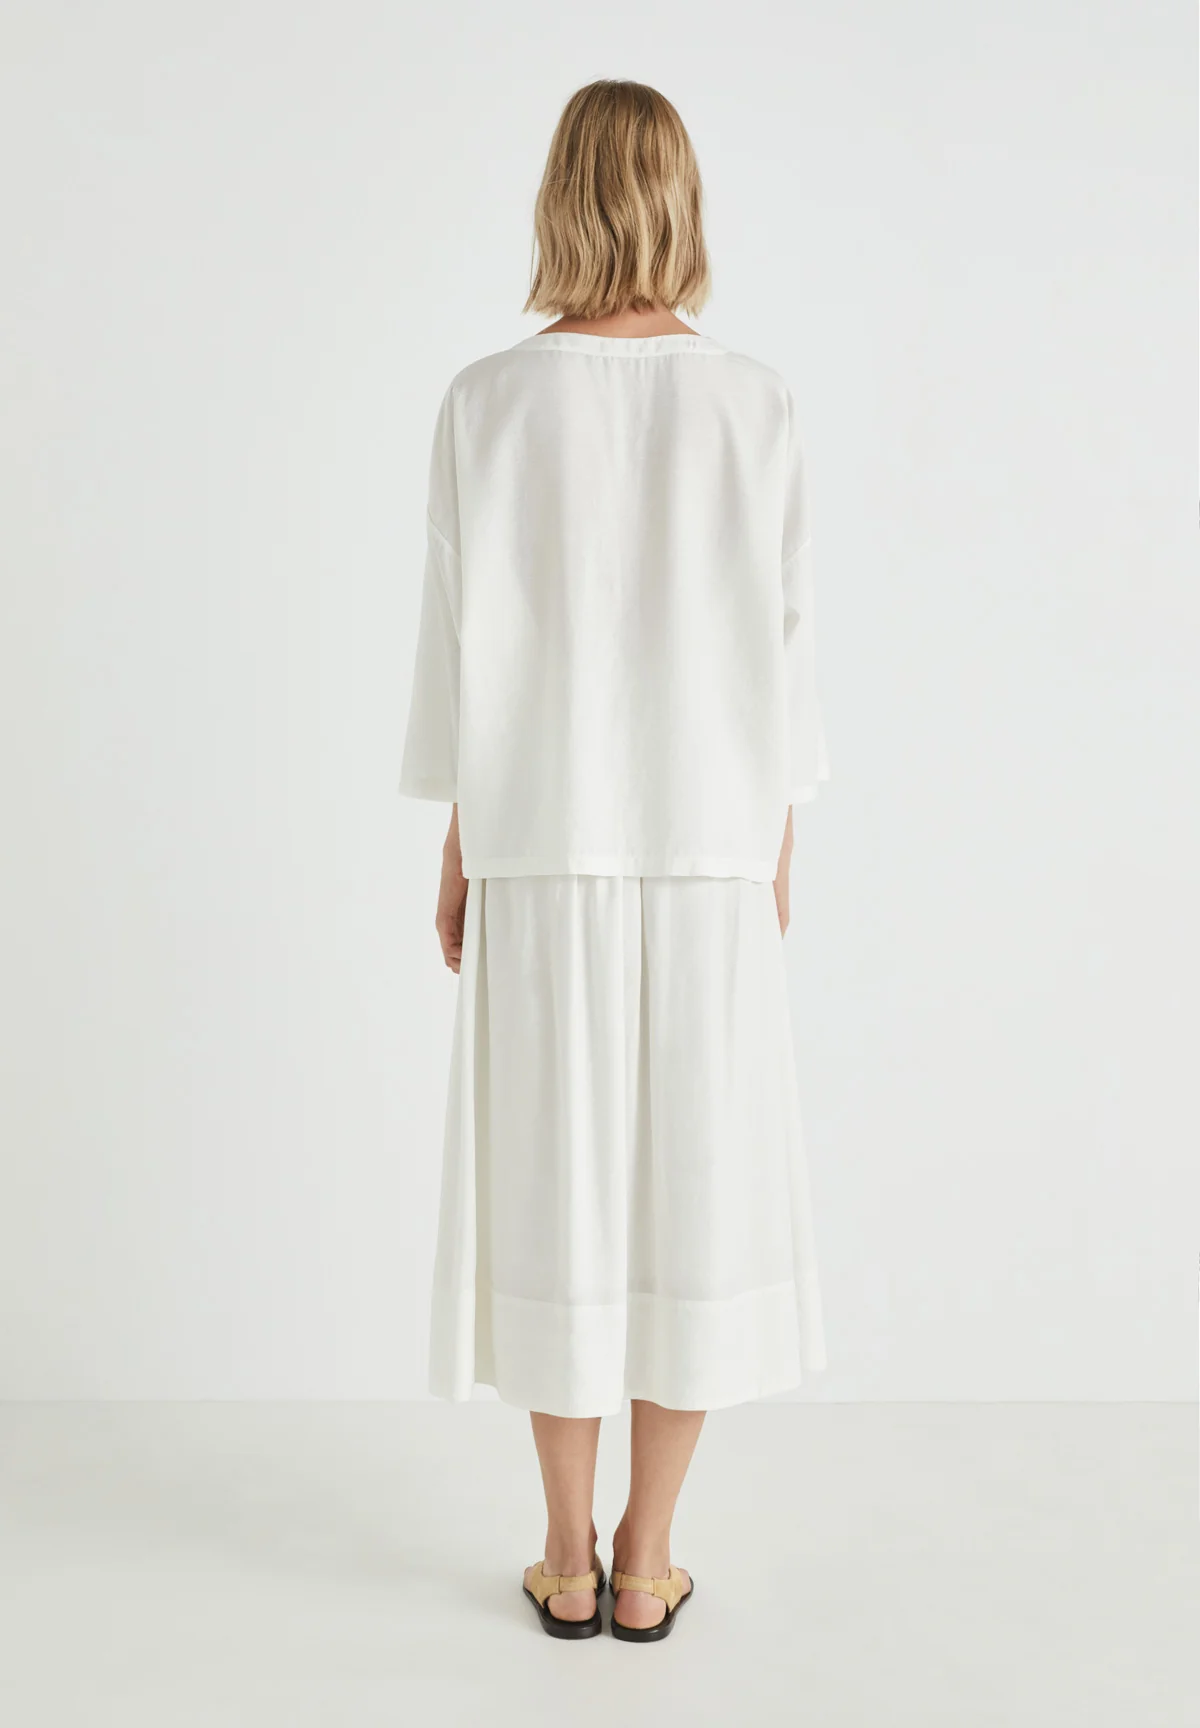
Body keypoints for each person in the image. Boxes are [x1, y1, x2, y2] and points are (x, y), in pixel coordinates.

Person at [399, 78, 828, 1643]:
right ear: (680, 201)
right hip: (709, 844)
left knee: (555, 1192)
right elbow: (784, 650)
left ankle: (564, 1552)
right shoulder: (757, 402)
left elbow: (462, 649)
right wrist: (772, 841)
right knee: (694, 1196)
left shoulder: (486, 401)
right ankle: (650, 1557)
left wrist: (463, 841)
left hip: (541, 842)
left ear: (561, 198)